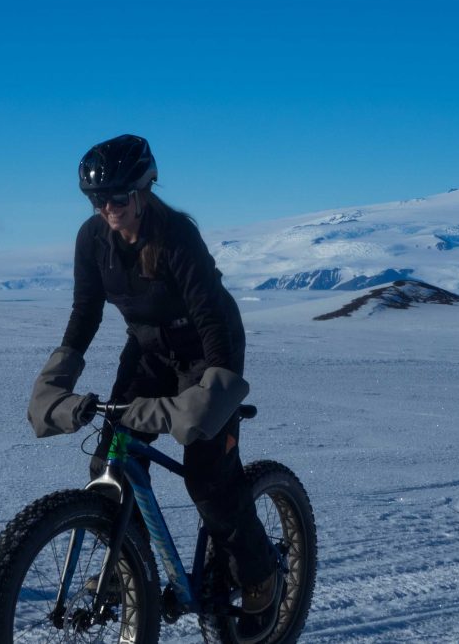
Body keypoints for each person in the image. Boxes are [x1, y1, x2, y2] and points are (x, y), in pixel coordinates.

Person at [25, 134, 279, 619]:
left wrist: (213, 393)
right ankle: (130, 564)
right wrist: (55, 379)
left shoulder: (176, 236)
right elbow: (85, 315)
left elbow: (211, 316)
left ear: (144, 190)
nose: (107, 208)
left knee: (207, 477)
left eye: (117, 197)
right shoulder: (91, 239)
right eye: (96, 199)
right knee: (110, 462)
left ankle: (258, 571)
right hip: (148, 348)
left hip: (209, 347)